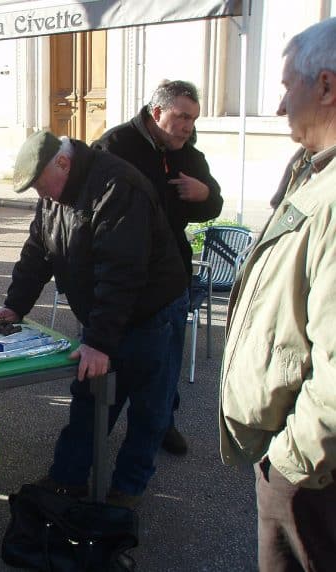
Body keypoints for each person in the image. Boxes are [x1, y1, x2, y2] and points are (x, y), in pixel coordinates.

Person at [0, 130, 188, 509]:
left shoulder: (117, 186)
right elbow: (37, 251)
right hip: (105, 315)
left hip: (151, 312)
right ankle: (68, 478)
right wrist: (16, 305)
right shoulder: (55, 195)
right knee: (91, 400)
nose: (42, 197)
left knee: (149, 408)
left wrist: (99, 342)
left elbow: (121, 273)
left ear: (63, 163)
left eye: (43, 187)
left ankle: (126, 492)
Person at [220, 17, 336, 571]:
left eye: (288, 85)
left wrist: (291, 461)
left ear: (327, 87)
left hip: (311, 472)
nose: (279, 105)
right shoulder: (313, 174)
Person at [93, 80, 223, 456]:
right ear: (156, 113)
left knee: (167, 358)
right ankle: (99, 425)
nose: (188, 126)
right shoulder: (116, 146)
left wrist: (205, 196)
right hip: (122, 272)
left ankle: (163, 420)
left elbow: (211, 204)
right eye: (181, 116)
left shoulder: (189, 153)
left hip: (172, 274)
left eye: (193, 119)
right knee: (114, 353)